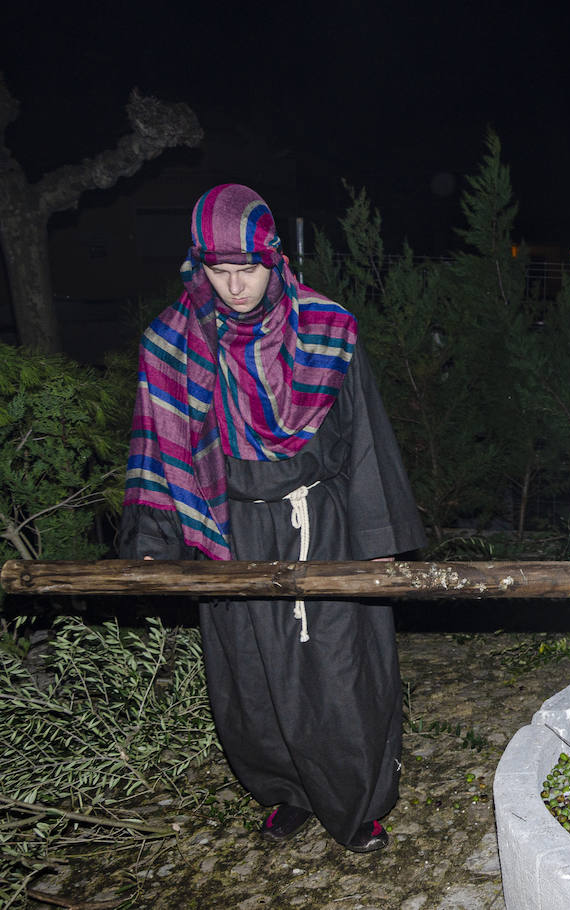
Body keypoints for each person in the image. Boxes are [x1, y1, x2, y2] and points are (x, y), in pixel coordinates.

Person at [118, 184, 425, 853]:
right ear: (198, 266)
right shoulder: (171, 345)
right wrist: (152, 544)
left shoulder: (327, 330)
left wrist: (377, 545)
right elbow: (153, 449)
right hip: (225, 531)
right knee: (251, 681)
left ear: (274, 259)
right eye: (218, 272)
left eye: (247, 270)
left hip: (322, 523)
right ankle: (287, 791)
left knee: (339, 673)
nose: (233, 287)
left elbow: (365, 438)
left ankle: (356, 801)